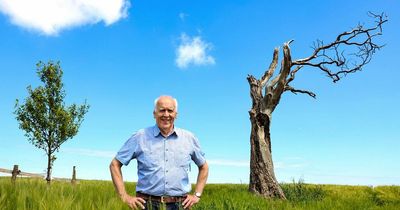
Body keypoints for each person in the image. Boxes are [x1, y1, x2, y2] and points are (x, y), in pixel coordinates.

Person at [110, 95, 209, 210]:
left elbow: (204, 167)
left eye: (170, 111)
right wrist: (124, 197)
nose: (166, 115)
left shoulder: (189, 138)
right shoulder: (140, 136)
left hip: (180, 205)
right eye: (162, 110)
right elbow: (114, 164)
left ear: (176, 114)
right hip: (147, 204)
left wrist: (197, 195)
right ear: (154, 113)